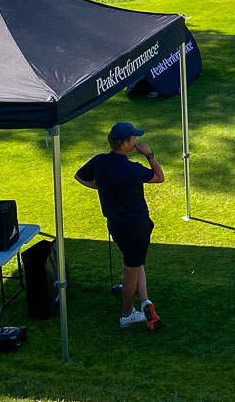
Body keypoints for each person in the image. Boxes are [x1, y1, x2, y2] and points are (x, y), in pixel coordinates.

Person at [74, 122, 164, 329]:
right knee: (130, 268)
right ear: (125, 144)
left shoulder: (100, 162)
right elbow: (159, 177)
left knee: (134, 261)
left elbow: (79, 176)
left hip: (115, 225)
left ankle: (145, 300)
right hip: (136, 226)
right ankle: (127, 315)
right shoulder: (132, 169)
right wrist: (149, 155)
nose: (136, 141)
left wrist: (101, 187)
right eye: (134, 139)